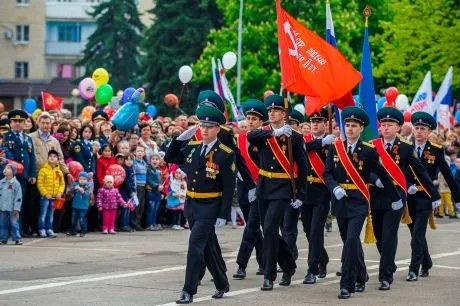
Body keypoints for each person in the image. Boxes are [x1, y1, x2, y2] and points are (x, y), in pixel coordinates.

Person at [323, 106, 401, 299]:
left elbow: (381, 173)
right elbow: (327, 173)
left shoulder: (368, 151)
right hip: (340, 201)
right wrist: (334, 187)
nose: (349, 129)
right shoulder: (336, 147)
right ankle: (360, 275)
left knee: (350, 240)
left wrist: (395, 198)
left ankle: (346, 285)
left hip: (358, 202)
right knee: (351, 243)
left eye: (354, 126)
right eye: (347, 125)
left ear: (361, 128)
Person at [165, 104, 236, 303]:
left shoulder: (225, 153)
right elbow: (170, 157)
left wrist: (223, 214)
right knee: (208, 247)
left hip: (210, 207)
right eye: (202, 125)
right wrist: (181, 138)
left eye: (209, 126)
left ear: (217, 129)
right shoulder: (193, 147)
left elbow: (229, 187)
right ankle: (222, 283)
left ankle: (188, 290)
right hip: (191, 205)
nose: (204, 129)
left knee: (195, 245)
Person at [370, 107, 438, 290]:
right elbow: (365, 170)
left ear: (398, 127)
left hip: (396, 198)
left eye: (390, 125)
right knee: (378, 236)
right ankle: (389, 264)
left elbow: (420, 171)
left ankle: (385, 276)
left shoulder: (406, 148)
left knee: (389, 236)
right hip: (376, 196)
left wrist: (434, 194)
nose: (385, 128)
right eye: (383, 125)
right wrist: (375, 180)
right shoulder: (371, 145)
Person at [247, 94, 308, 291]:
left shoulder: (295, 138)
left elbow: (303, 166)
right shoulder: (263, 133)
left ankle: (269, 274)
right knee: (269, 231)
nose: (272, 113)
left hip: (283, 188)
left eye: (276, 110)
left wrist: (300, 193)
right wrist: (274, 133)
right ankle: (289, 265)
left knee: (271, 228)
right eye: (270, 111)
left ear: (284, 113)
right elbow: (250, 136)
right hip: (265, 185)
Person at [406, 112, 460, 281]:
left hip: (427, 196)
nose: (419, 131)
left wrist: (457, 198)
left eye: (423, 129)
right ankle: (426, 261)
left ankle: (414, 268)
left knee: (417, 234)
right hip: (409, 195)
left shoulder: (436, 150)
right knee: (415, 232)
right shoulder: (405, 147)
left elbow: (448, 175)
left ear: (429, 131)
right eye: (417, 128)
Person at [233, 99, 266, 280]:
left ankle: (241, 265)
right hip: (244, 186)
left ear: (261, 122)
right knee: (252, 226)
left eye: (254, 118)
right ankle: (263, 261)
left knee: (252, 226)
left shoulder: (265, 139)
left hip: (261, 188)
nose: (250, 121)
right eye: (248, 118)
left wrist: (257, 186)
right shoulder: (239, 139)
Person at [301, 108, 335, 285]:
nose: (315, 124)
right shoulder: (306, 141)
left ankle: (311, 270)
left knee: (315, 231)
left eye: (319, 121)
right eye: (312, 122)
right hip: (306, 190)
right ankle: (323, 258)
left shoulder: (332, 143)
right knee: (308, 231)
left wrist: (328, 144)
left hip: (322, 191)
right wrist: (321, 142)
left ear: (325, 124)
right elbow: (301, 149)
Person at [4, 110, 37, 237]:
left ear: (25, 123)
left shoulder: (28, 138)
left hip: (24, 177)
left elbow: (32, 157)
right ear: (10, 123)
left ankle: (19, 229)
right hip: (9, 177)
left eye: (20, 121)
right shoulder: (5, 136)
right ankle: (7, 231)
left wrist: (32, 174)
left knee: (20, 203)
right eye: (15, 121)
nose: (17, 124)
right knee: (7, 203)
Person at [37, 150, 65, 238]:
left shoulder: (59, 172)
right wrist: (45, 193)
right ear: (47, 158)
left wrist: (60, 193)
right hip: (45, 197)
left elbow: (62, 184)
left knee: (51, 214)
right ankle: (42, 229)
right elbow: (40, 183)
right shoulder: (43, 170)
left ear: (58, 159)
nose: (52, 157)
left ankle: (49, 229)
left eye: (54, 156)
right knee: (43, 213)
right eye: (50, 156)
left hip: (54, 198)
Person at [0, 164, 23, 245]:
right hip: (2, 208)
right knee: (3, 224)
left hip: (13, 208)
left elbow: (18, 197)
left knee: (14, 223)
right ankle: (3, 239)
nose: (5, 169)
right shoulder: (1, 183)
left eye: (8, 168)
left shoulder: (16, 183)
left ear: (13, 172)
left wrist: (17, 208)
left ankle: (17, 238)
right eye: (5, 168)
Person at [68, 171, 91, 237]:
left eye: (84, 179)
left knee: (82, 219)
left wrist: (83, 191)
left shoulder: (88, 186)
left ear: (87, 180)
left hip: (84, 207)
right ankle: (73, 231)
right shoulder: (75, 184)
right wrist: (74, 189)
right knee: (73, 219)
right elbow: (70, 191)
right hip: (75, 205)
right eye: (81, 179)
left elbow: (87, 195)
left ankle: (83, 231)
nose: (82, 180)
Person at [146, 153, 163, 231]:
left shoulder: (159, 171)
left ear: (159, 161)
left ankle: (154, 223)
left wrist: (162, 192)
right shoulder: (148, 170)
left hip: (158, 193)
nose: (154, 161)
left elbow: (161, 182)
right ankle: (149, 224)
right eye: (153, 159)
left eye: (156, 159)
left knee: (156, 209)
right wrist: (156, 186)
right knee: (151, 209)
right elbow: (149, 180)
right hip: (151, 192)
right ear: (150, 160)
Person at [133, 145, 148, 230]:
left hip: (143, 186)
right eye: (138, 151)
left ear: (144, 153)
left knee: (142, 205)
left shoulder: (144, 163)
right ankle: (135, 224)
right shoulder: (134, 163)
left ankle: (139, 223)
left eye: (141, 151)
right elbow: (134, 175)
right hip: (137, 186)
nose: (140, 153)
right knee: (137, 205)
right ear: (135, 152)